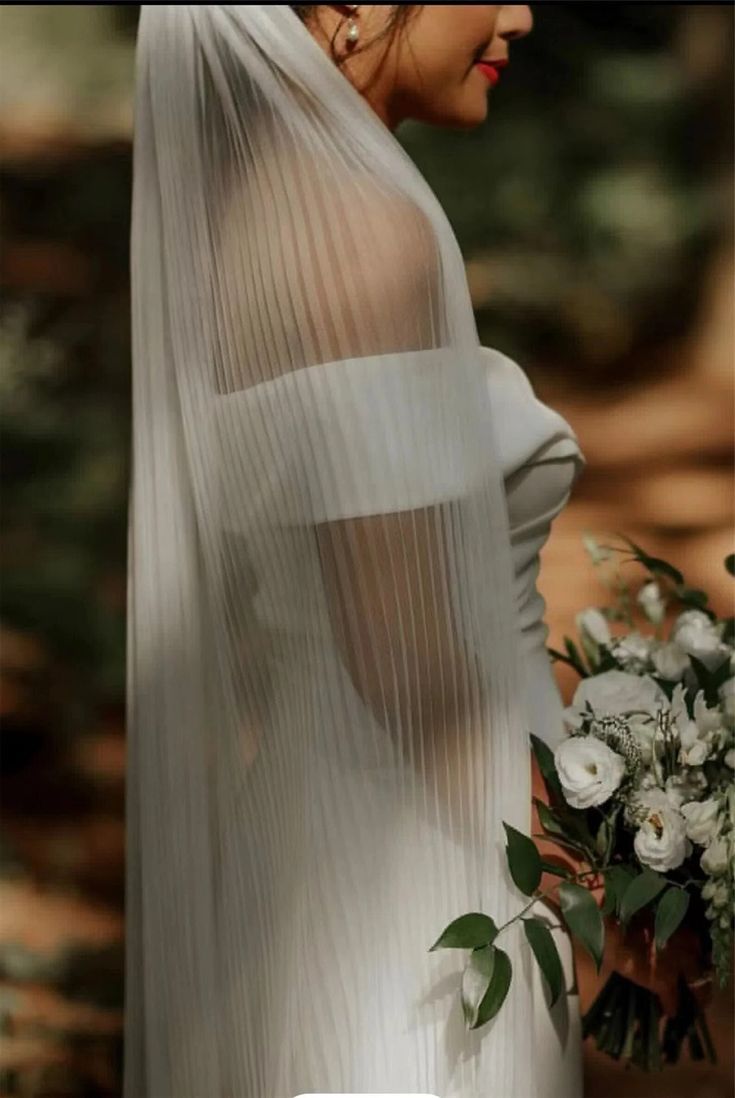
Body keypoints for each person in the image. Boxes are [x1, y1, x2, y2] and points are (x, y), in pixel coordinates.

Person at [125, 6, 588, 1095]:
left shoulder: (252, 209)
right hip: (425, 878)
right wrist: (601, 865)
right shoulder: (360, 232)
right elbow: (407, 661)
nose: (520, 12)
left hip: (317, 835)